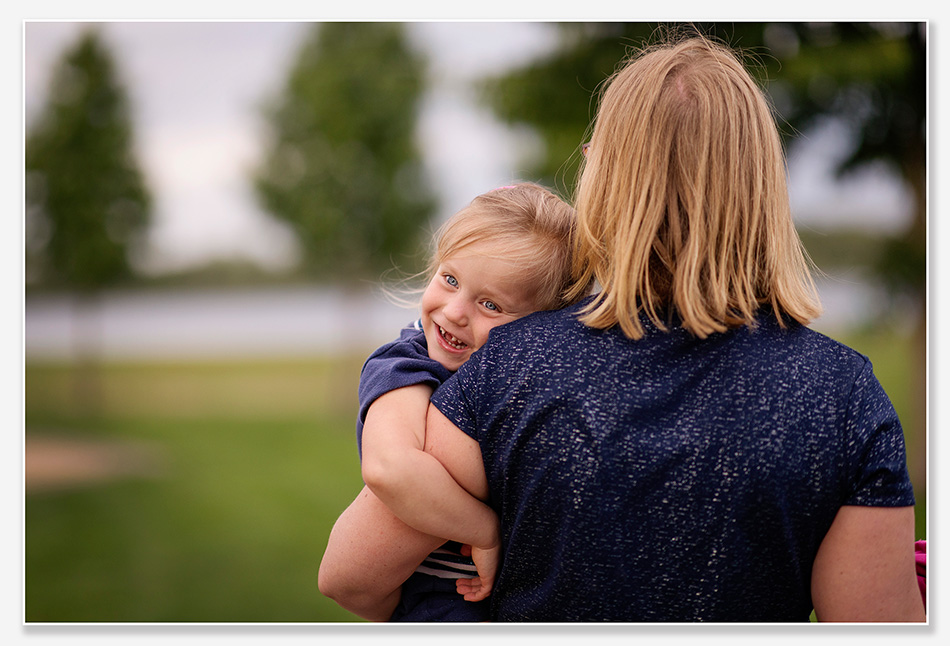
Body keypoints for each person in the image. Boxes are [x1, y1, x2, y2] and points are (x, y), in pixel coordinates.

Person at [347, 35, 926, 622]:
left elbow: (350, 576)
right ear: (760, 186)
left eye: (594, 152)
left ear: (609, 177)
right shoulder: (842, 396)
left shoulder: (509, 365)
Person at [317, 183, 589, 621]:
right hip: (443, 599)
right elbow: (390, 468)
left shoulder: (523, 380)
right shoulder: (403, 366)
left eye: (490, 304)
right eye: (450, 279)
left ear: (538, 328)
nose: (456, 311)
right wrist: (484, 532)